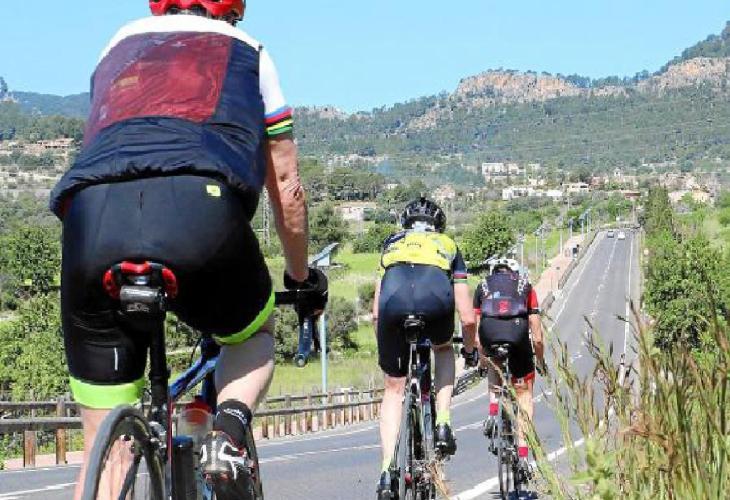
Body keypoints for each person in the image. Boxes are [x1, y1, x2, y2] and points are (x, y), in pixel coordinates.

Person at [49, 2, 326, 499]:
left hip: (91, 217)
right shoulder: (249, 51)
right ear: (232, 11)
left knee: (103, 450)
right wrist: (300, 277)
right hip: (198, 211)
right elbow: (286, 186)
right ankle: (228, 434)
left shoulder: (118, 44)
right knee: (254, 334)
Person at [373, 197, 477, 497]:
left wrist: (387, 347)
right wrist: (469, 350)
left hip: (393, 303)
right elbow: (467, 317)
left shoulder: (391, 244)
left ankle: (386, 471)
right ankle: (442, 422)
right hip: (434, 299)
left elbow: (377, 312)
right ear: (438, 225)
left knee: (394, 388)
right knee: (443, 349)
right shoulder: (448, 245)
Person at [473, 257, 544, 481]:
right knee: (524, 396)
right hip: (517, 335)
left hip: (489, 333)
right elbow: (537, 333)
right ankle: (523, 456)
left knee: (493, 363)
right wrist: (540, 359)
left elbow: (477, 333)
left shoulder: (482, 286)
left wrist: (482, 361)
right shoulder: (526, 286)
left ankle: (493, 410)